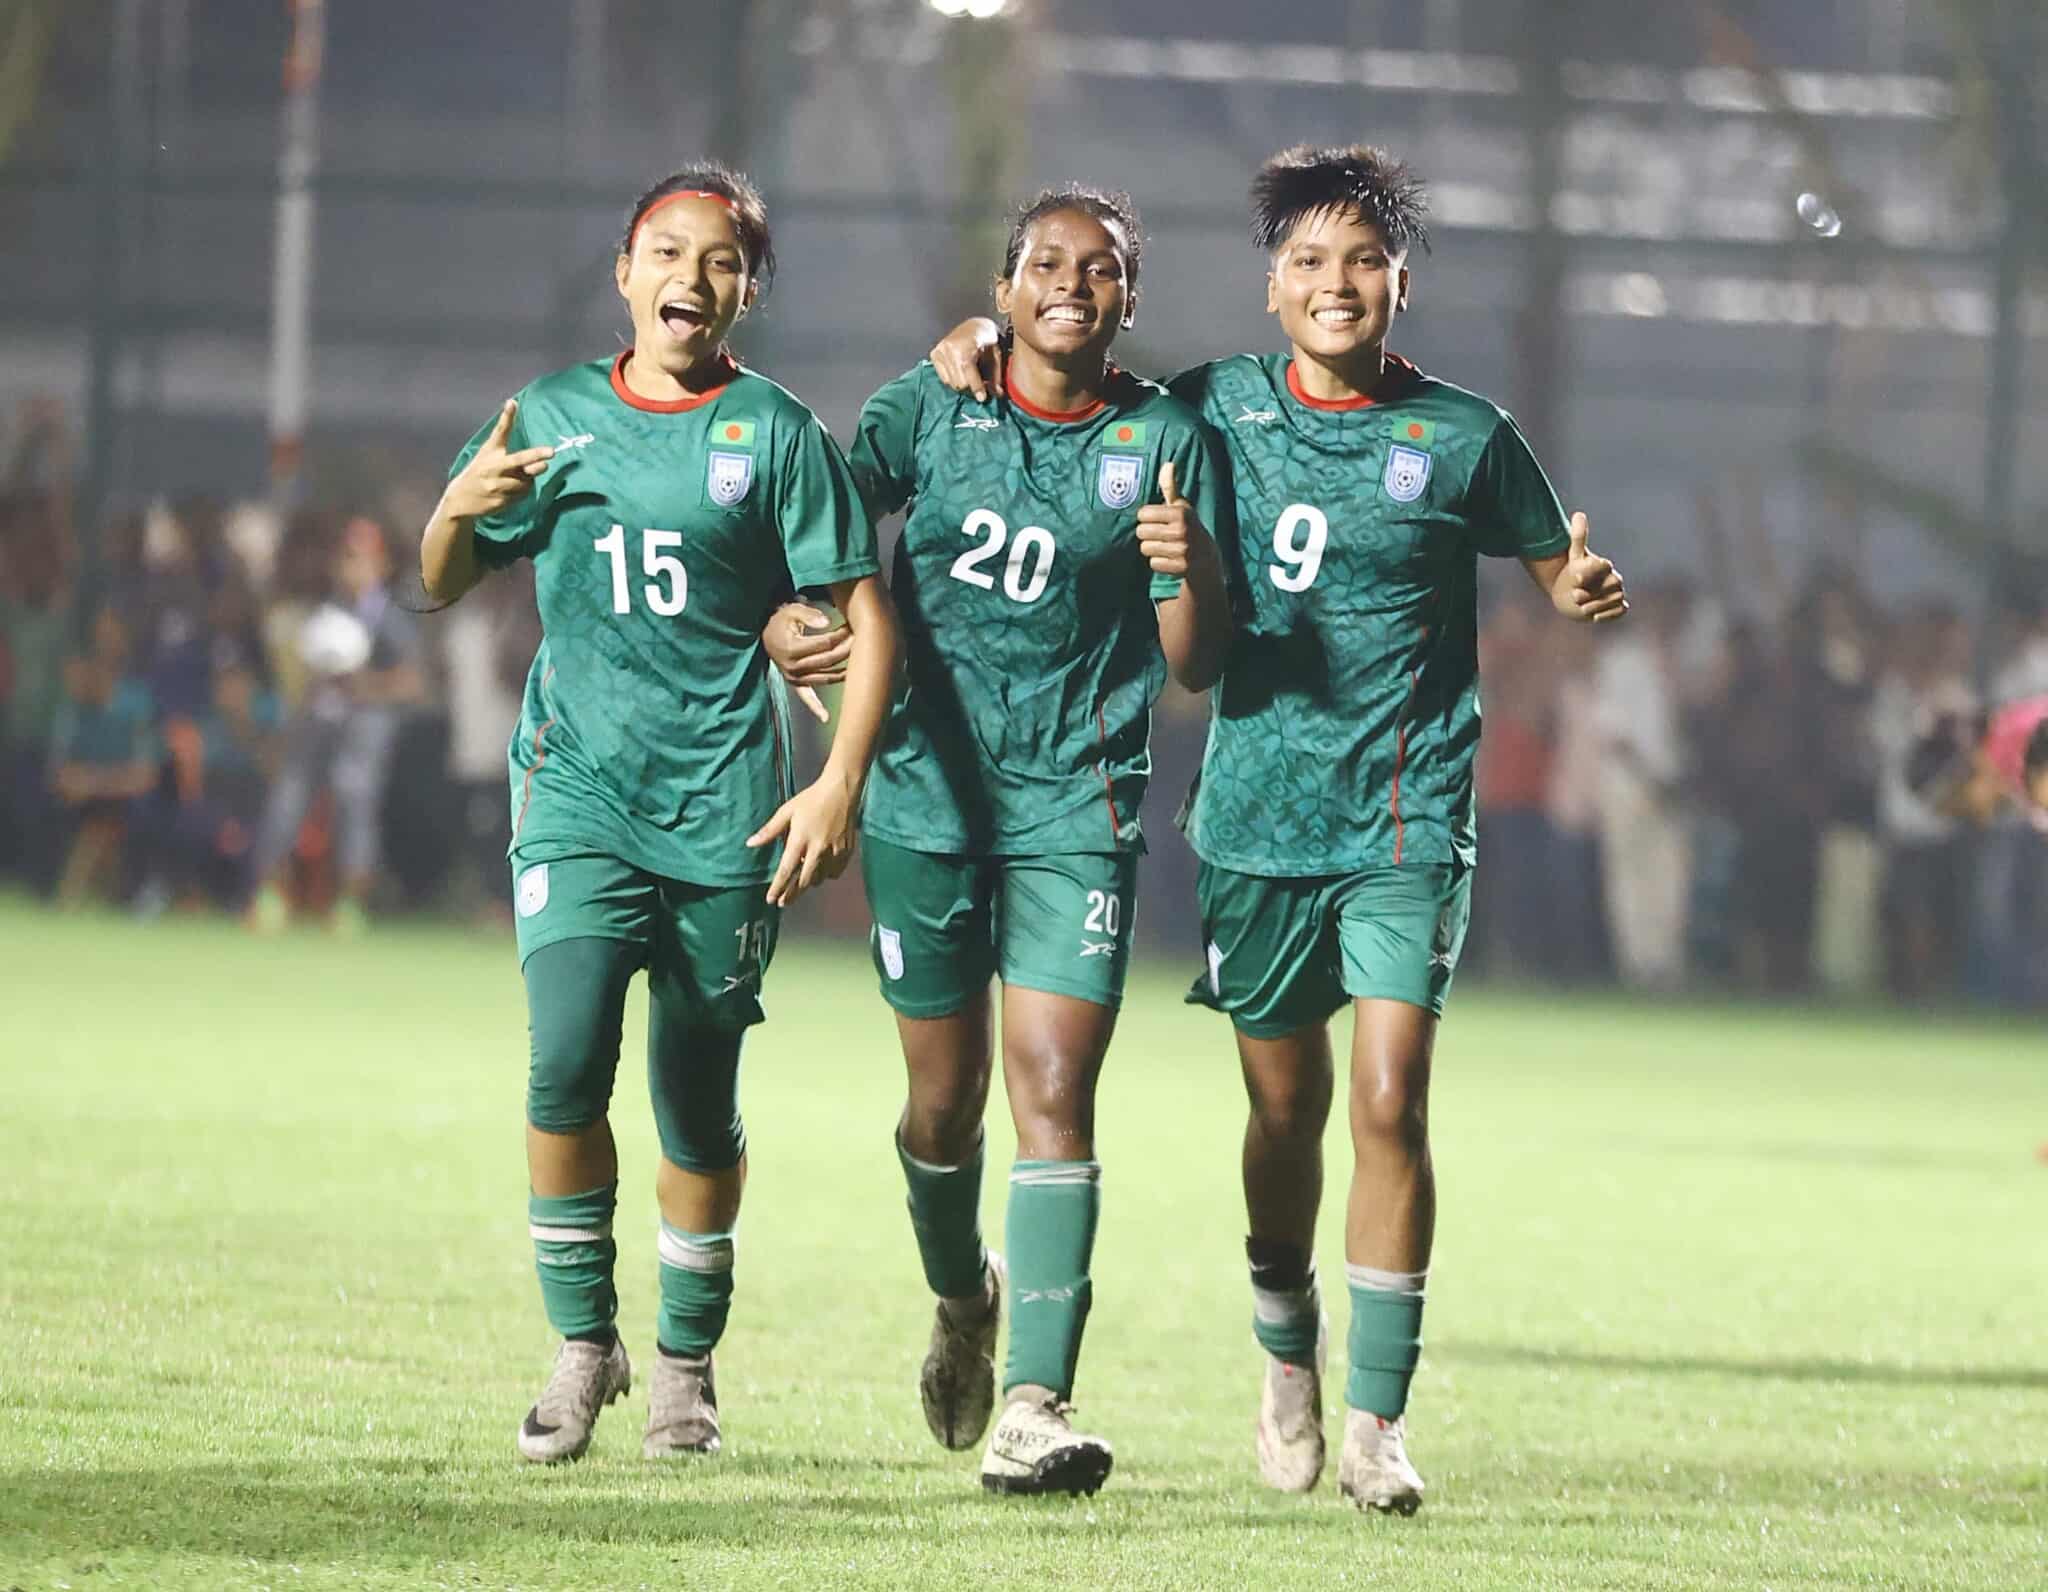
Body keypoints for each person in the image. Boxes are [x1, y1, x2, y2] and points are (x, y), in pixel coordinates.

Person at [924, 145, 1625, 1513]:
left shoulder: (1464, 436)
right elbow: (1069, 376)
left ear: (1401, 283)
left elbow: (1558, 563)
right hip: (1254, 817)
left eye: (1363, 260)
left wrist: (1579, 581)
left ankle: (1377, 1424)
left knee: (1389, 1098)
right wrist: (975, 337)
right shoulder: (1209, 407)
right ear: (1271, 285)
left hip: (1405, 817)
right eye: (1309, 260)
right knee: (1285, 1110)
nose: (1335, 282)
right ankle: (1286, 1337)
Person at [418, 163, 897, 1467]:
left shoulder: (776, 434)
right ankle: (586, 1344)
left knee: (694, 1095)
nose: (692, 274)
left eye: (722, 259)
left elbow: (863, 621)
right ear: (626, 272)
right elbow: (441, 576)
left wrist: (837, 780)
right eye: (668, 251)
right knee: (565, 1063)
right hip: (576, 793)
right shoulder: (551, 414)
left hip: (724, 812)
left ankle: (685, 1360)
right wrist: (453, 511)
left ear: (747, 291)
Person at [770, 186, 1231, 1498]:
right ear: (1005, 286)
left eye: (1100, 268)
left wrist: (1191, 566)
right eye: (1046, 263)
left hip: (1076, 804)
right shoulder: (928, 405)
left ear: (1129, 297)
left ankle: (1036, 1400)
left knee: (1053, 1088)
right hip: (925, 793)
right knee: (940, 1102)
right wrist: (784, 619)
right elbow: (810, 537)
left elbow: (1196, 661)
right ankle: (962, 1296)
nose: (1071, 284)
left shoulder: (1163, 438)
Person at [246, 516, 427, 934]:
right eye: (345, 557)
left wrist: (364, 686)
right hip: (318, 721)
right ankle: (271, 894)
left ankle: (350, 903)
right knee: (287, 799)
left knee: (353, 798)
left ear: (381, 563)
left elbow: (413, 683)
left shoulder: (392, 618)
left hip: (365, 726)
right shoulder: (328, 611)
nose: (351, 566)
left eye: (360, 557)